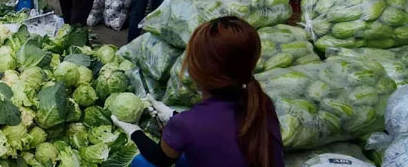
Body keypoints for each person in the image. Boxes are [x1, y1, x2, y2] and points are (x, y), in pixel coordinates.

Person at [112, 16, 285, 167]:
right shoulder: (262, 103)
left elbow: (161, 159)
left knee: (141, 163)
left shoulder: (187, 124)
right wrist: (172, 115)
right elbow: (218, 131)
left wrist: (134, 132)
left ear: (199, 69)